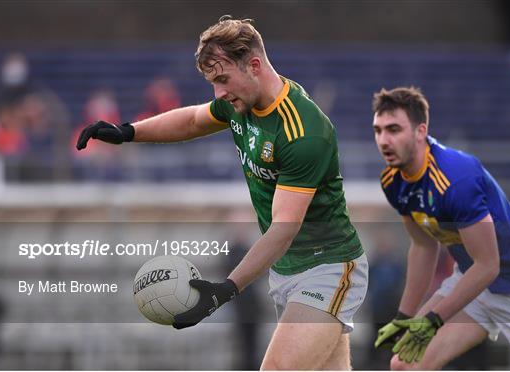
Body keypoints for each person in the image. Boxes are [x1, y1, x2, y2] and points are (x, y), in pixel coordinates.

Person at [76, 16, 368, 370]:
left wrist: (225, 290)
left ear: (255, 65)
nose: (219, 93)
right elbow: (194, 120)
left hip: (328, 266)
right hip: (288, 269)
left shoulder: (304, 131)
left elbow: (283, 228)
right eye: (213, 82)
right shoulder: (240, 102)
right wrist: (127, 133)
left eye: (223, 79)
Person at [371, 86, 510, 370]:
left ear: (420, 131)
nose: (384, 140)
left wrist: (433, 319)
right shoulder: (393, 181)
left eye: (394, 129)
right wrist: (405, 314)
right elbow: (424, 246)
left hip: (503, 276)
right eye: (378, 131)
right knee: (404, 365)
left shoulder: (456, 178)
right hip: (474, 286)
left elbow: (489, 265)